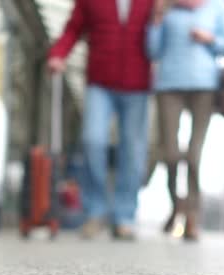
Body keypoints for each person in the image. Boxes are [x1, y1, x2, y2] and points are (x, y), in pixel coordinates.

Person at [48, 0, 154, 240]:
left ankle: (124, 217)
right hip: (100, 83)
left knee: (133, 151)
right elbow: (74, 28)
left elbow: (161, 29)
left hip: (138, 85)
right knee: (92, 141)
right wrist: (58, 54)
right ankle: (95, 212)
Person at [147, 0, 224, 241]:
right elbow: (153, 50)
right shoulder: (166, 7)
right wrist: (155, 24)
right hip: (169, 85)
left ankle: (192, 216)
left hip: (204, 86)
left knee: (194, 155)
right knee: (171, 154)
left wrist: (210, 39)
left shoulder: (217, 7)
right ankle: (176, 205)